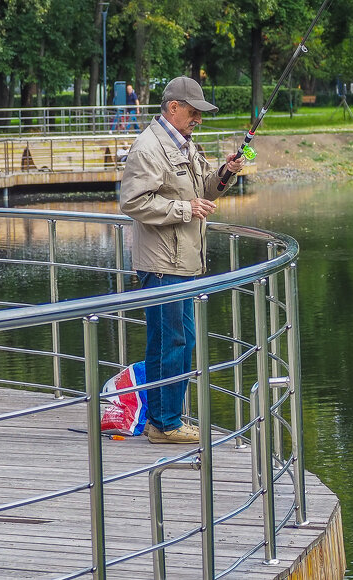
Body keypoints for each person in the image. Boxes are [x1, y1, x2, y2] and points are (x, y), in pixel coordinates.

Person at [119, 76, 245, 444]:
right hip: (162, 264)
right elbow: (132, 202)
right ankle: (166, 424)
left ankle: (163, 420)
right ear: (173, 108)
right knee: (172, 341)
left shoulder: (185, 144)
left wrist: (224, 173)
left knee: (178, 340)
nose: (198, 119)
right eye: (193, 112)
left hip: (183, 262)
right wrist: (185, 208)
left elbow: (205, 185)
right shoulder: (148, 148)